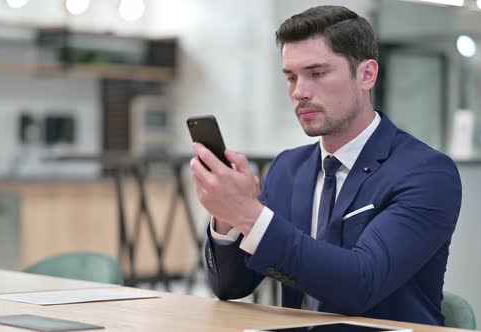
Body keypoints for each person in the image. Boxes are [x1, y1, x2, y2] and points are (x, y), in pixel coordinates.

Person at [189, 5, 461, 326]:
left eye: (316, 73)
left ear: (366, 74)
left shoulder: (427, 173)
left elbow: (360, 284)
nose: (299, 92)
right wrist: (227, 215)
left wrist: (249, 214)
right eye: (291, 77)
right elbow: (230, 286)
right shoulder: (288, 168)